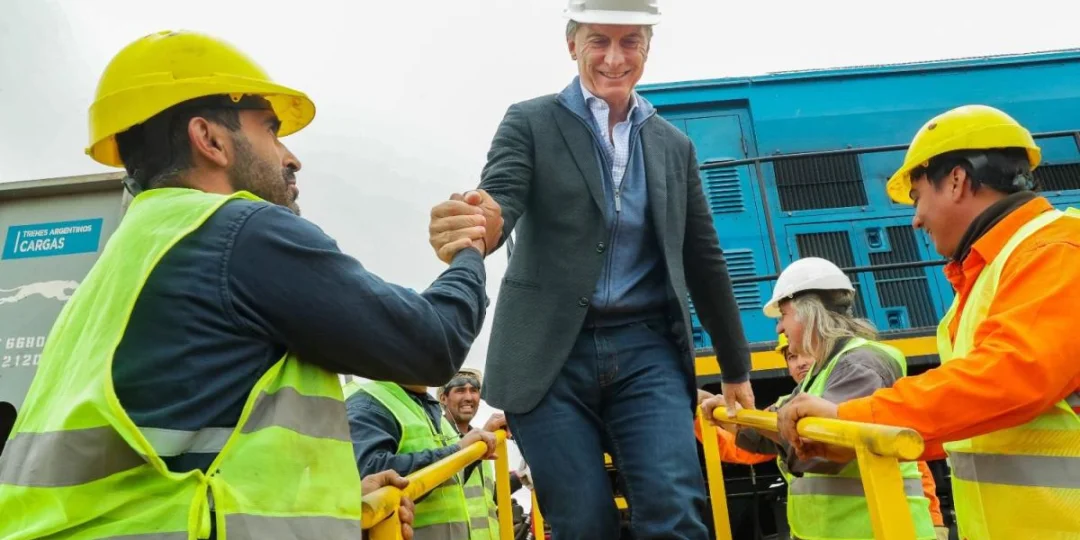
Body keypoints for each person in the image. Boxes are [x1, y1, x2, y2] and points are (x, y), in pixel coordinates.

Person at [0, 30, 494, 540]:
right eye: (271, 131)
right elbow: (432, 341)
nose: (291, 157)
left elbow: (182, 447)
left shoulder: (130, 255)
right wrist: (471, 250)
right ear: (210, 139)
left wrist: (336, 502)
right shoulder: (238, 231)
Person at [440, 1, 754, 537]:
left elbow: (703, 258)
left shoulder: (673, 146)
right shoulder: (531, 121)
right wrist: (480, 222)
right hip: (550, 355)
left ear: (647, 48)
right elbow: (502, 198)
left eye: (630, 41)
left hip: (646, 350)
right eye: (598, 41)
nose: (614, 57)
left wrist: (736, 368)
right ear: (572, 46)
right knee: (582, 522)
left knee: (674, 509)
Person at [776, 104, 1080, 539]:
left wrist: (853, 418)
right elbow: (975, 423)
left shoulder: (1058, 250)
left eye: (917, 197)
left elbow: (1010, 378)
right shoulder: (987, 278)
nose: (916, 219)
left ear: (956, 180)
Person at [703, 257, 936, 540]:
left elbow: (822, 449)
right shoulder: (821, 372)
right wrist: (731, 414)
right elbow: (775, 428)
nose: (779, 329)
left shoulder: (860, 364)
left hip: (877, 531)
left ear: (808, 313)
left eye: (783, 315)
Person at [696, 333, 949, 539]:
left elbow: (914, 469)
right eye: (792, 357)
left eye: (806, 352)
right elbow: (744, 449)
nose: (800, 363)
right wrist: (710, 414)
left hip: (889, 527)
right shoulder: (788, 406)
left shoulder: (855, 386)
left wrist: (935, 521)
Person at [346, 378, 500, 539]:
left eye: (474, 390)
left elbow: (451, 478)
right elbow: (370, 477)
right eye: (460, 390)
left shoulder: (431, 410)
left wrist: (474, 452)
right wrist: (457, 450)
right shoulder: (370, 402)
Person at [437, 368, 527, 533]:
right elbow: (448, 482)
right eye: (460, 390)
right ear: (443, 398)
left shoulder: (484, 443)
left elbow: (483, 498)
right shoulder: (436, 433)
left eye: (474, 390)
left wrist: (518, 477)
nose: (469, 397)